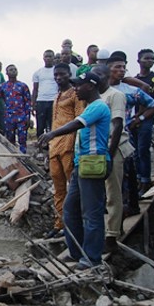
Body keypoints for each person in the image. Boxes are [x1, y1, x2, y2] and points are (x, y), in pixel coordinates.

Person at [38, 72, 112, 270]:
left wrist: (52, 134)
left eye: (79, 85)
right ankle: (76, 251)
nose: (76, 89)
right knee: (70, 209)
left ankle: (92, 258)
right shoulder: (90, 106)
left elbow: (77, 124)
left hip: (93, 164)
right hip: (83, 164)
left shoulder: (98, 106)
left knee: (92, 213)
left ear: (91, 86)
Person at [107, 56, 154, 214]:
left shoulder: (130, 91)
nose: (122, 70)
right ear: (108, 69)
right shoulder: (100, 91)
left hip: (124, 136)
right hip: (105, 136)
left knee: (127, 172)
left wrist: (139, 118)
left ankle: (129, 206)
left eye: (124, 67)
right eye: (118, 67)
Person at [90, 64, 129, 252]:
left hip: (112, 149)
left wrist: (109, 155)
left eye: (98, 75)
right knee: (100, 193)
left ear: (106, 77)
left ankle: (112, 236)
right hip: (97, 150)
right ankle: (104, 232)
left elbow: (118, 125)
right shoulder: (95, 98)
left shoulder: (115, 95)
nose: (94, 78)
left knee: (113, 193)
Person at [46, 64, 86, 238]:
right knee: (59, 188)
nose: (58, 78)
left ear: (69, 75)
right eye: (56, 75)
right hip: (54, 146)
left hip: (69, 145)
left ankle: (78, 226)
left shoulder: (76, 95)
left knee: (75, 188)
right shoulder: (57, 96)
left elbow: (80, 120)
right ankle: (59, 224)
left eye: (62, 74)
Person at [0, 64, 32, 153]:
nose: (13, 71)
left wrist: (28, 118)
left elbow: (28, 103)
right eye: (11, 70)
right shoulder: (3, 86)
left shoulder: (23, 86)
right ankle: (13, 159)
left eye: (15, 69)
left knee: (22, 139)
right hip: (9, 117)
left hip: (21, 116)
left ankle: (23, 160)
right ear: (6, 73)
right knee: (10, 140)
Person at [134, 49, 154, 195]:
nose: (150, 61)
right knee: (136, 152)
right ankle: (138, 179)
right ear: (139, 61)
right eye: (147, 58)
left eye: (152, 58)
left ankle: (145, 181)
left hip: (148, 117)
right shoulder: (134, 80)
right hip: (134, 118)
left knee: (143, 149)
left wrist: (143, 117)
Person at [32, 50, 57, 137]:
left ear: (53, 58)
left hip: (53, 100)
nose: (48, 58)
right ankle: (40, 147)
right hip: (41, 101)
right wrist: (33, 104)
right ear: (43, 58)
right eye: (46, 56)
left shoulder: (56, 71)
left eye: (50, 56)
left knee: (52, 125)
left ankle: (51, 147)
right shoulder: (38, 72)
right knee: (40, 126)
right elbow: (35, 89)